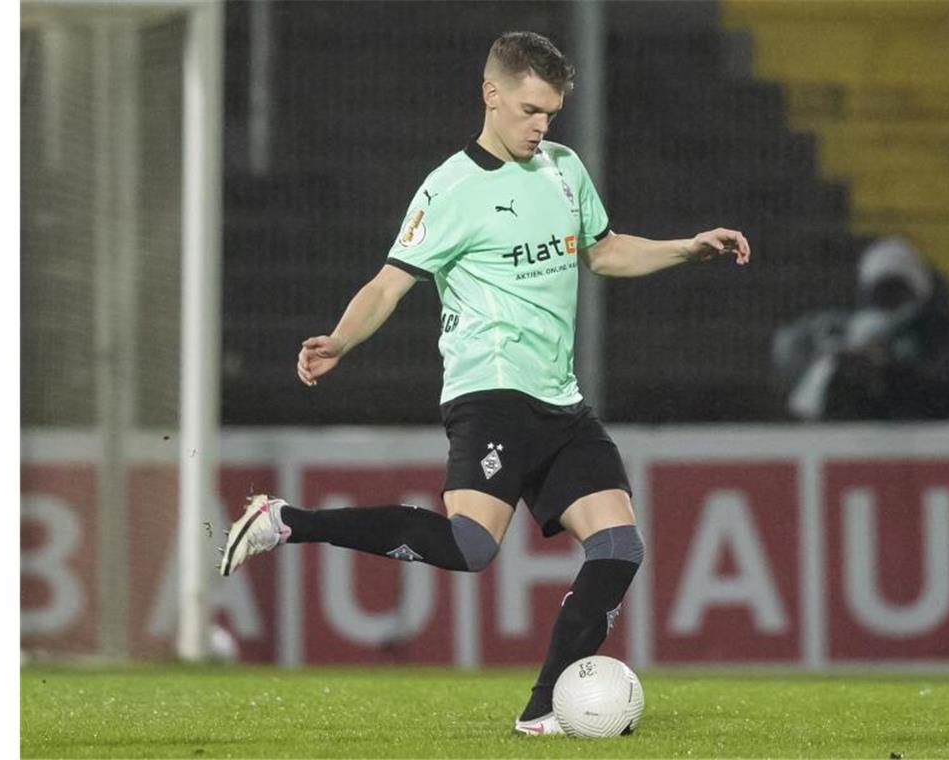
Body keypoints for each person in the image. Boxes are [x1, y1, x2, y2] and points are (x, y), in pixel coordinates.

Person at [219, 31, 751, 736]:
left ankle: (542, 713)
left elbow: (605, 251)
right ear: (491, 94)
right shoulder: (450, 190)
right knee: (472, 547)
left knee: (620, 548)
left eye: (552, 114)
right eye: (531, 110)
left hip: (560, 399)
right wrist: (342, 339)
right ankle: (284, 522)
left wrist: (685, 247)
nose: (542, 126)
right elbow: (389, 282)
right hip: (491, 391)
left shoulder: (563, 168)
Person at [773, 236, 949, 420]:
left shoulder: (936, 330)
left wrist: (887, 367)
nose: (889, 299)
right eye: (881, 291)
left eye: (896, 289)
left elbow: (942, 384)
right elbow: (809, 405)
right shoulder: (856, 329)